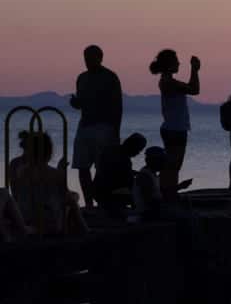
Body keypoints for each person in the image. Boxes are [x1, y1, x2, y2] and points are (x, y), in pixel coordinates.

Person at [69, 45, 123, 208]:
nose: (87, 61)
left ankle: (103, 202)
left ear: (100, 58)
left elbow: (117, 106)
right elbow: (81, 103)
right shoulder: (81, 78)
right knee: (82, 166)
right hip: (85, 125)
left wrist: (115, 131)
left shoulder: (110, 77)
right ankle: (89, 203)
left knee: (102, 168)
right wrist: (75, 103)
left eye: (91, 57)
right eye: (85, 57)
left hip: (104, 127)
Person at [11, 131, 87, 235]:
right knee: (73, 198)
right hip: (50, 223)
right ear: (49, 153)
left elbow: (18, 192)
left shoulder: (20, 170)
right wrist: (61, 171)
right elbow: (66, 196)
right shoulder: (55, 174)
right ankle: (84, 228)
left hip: (24, 217)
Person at [150, 49, 200, 199]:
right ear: (169, 64)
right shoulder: (168, 82)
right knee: (173, 166)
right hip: (175, 129)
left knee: (172, 166)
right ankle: (168, 195)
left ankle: (168, 193)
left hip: (173, 128)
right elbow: (195, 90)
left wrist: (194, 70)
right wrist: (195, 69)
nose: (178, 63)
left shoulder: (169, 81)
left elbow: (192, 88)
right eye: (176, 61)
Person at [93, 133, 147, 216]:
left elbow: (116, 171)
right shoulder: (125, 160)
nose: (138, 153)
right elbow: (128, 180)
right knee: (139, 188)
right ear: (133, 146)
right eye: (139, 150)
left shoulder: (113, 150)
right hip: (109, 193)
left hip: (97, 190)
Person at [132, 146, 166, 221]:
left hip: (152, 212)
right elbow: (150, 201)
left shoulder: (152, 174)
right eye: (162, 160)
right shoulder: (145, 176)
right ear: (153, 161)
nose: (164, 163)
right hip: (148, 214)